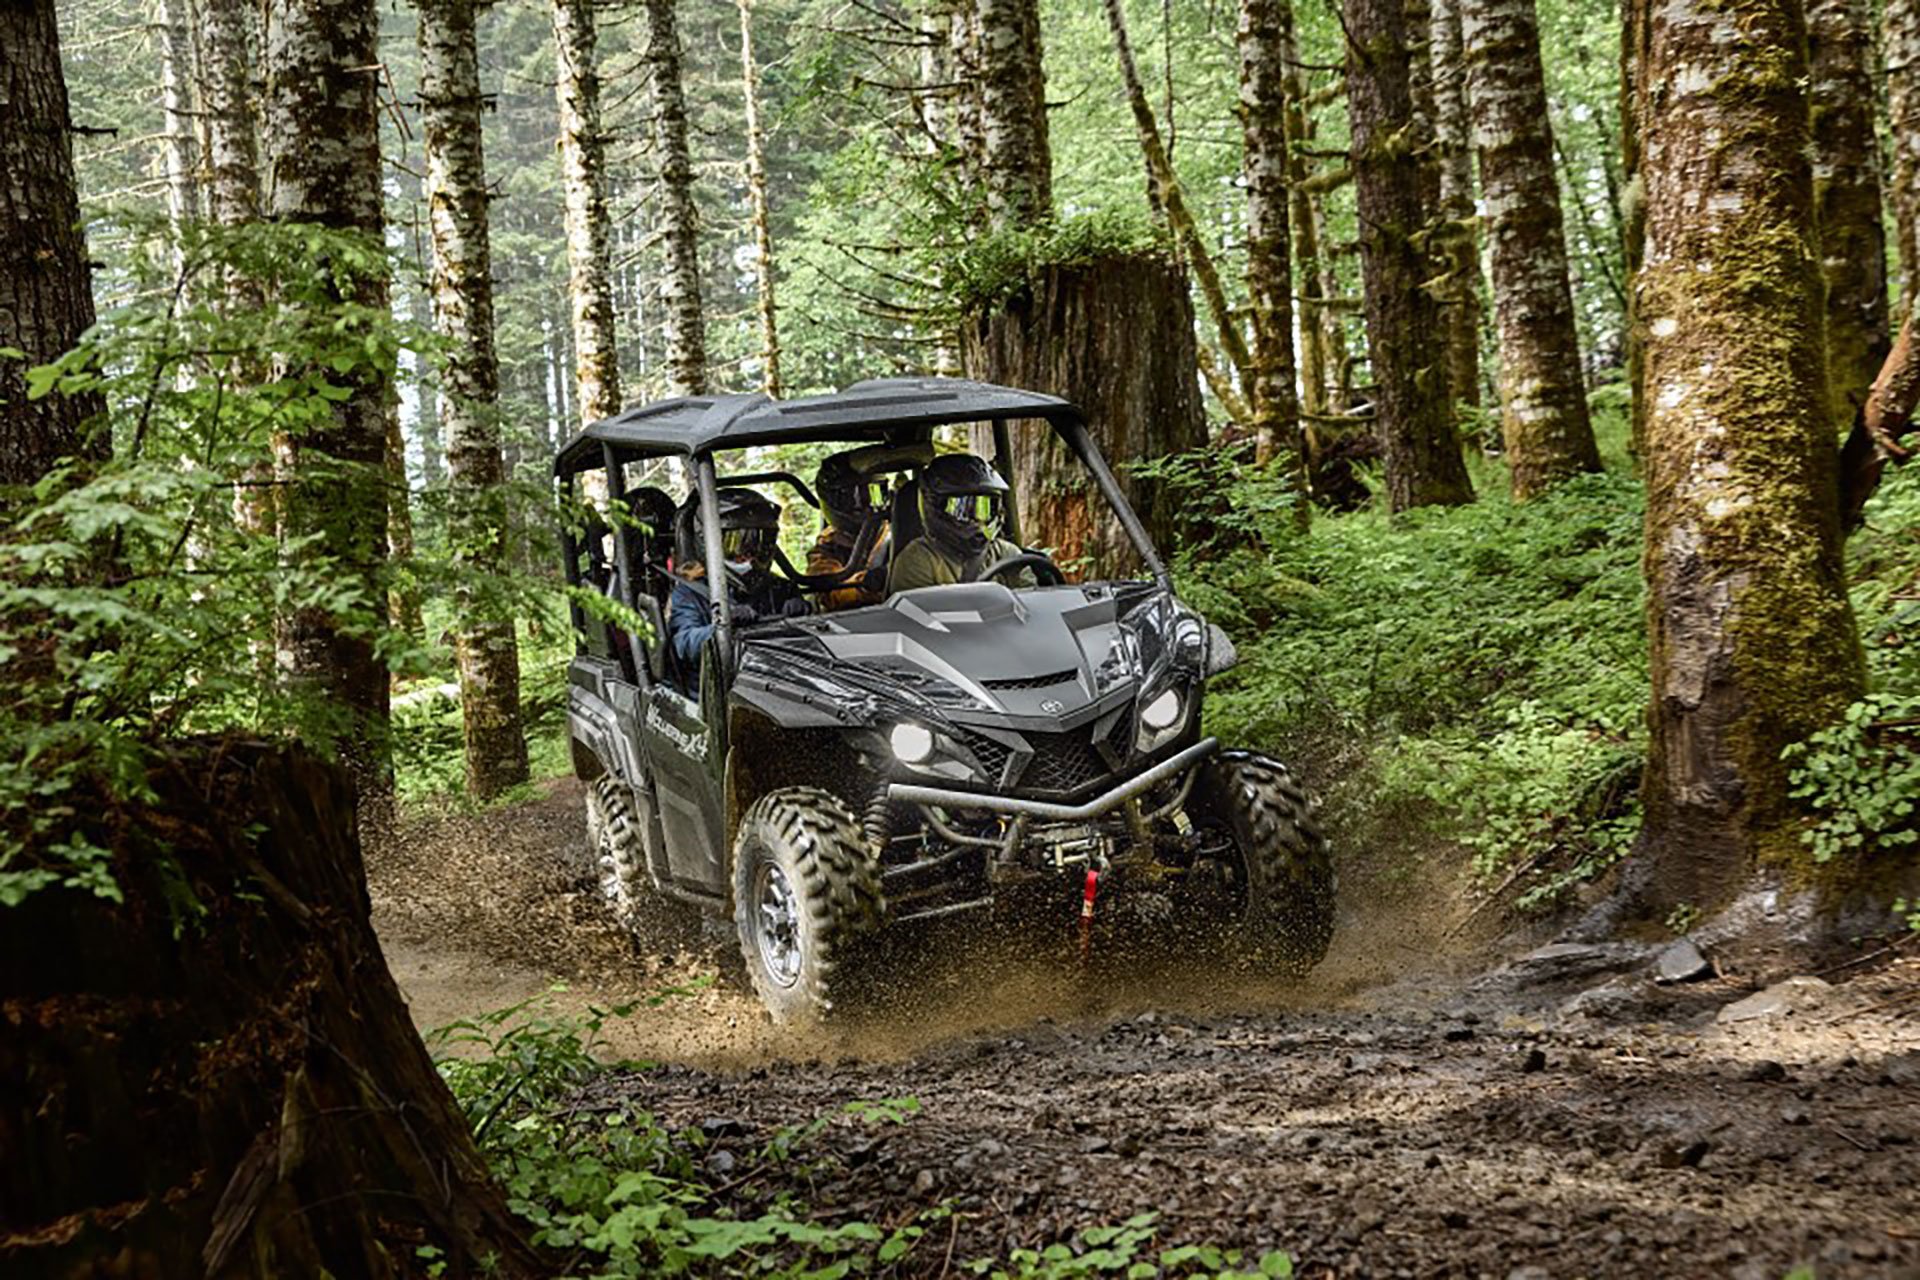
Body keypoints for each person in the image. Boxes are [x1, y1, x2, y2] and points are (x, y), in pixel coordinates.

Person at [668, 488, 810, 673]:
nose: (750, 558)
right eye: (736, 546)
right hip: (717, 687)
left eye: (760, 545)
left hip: (773, 675)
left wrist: (804, 617)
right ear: (708, 544)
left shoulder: (780, 588)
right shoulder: (691, 593)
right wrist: (722, 628)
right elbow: (684, 644)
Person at [886, 453, 1033, 594]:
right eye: (961, 509)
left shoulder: (1007, 553)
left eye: (985, 508)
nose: (977, 521)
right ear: (935, 506)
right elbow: (918, 616)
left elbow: (1031, 604)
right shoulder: (917, 561)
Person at [807, 450, 887, 611]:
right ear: (837, 502)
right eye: (858, 498)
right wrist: (869, 583)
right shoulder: (826, 549)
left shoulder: (896, 530)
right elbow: (833, 595)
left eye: (875, 494)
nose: (869, 506)